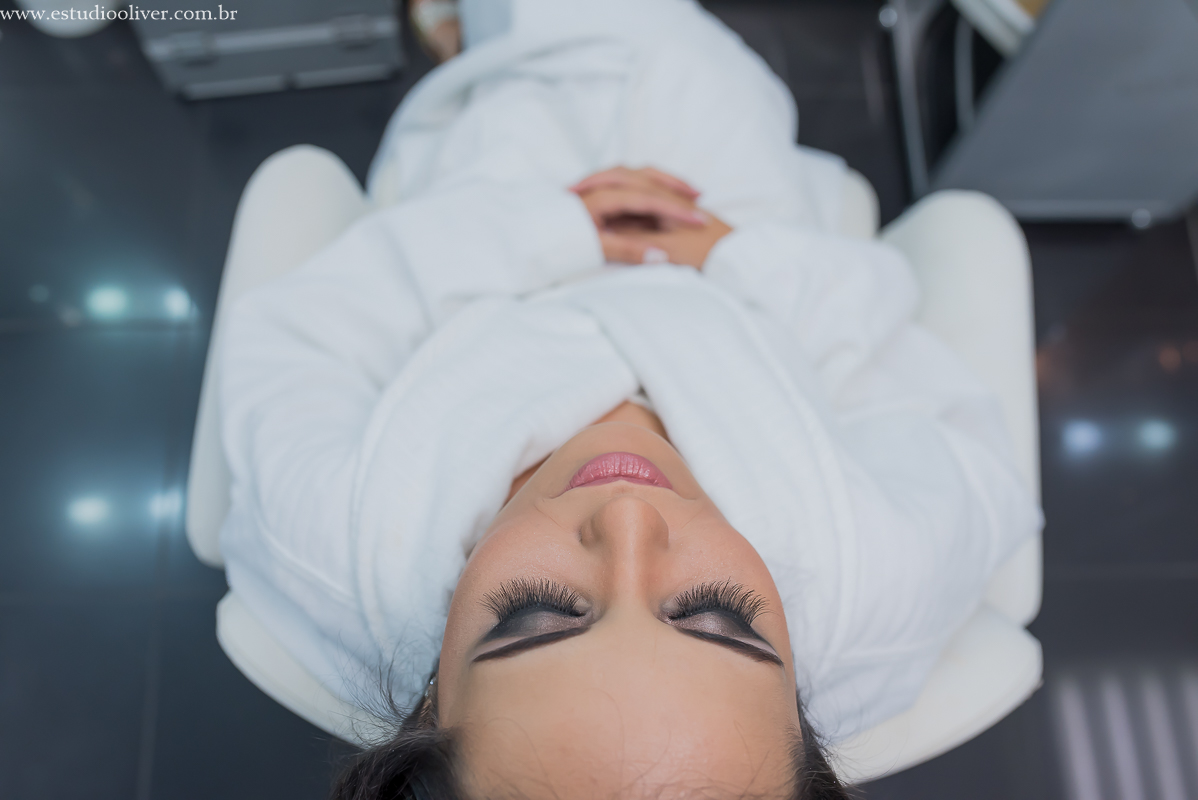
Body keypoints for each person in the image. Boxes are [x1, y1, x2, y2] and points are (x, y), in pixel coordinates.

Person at [216, 1, 1042, 797]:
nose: (628, 519)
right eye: (720, 616)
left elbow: (301, 336)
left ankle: (475, 34)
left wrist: (540, 230)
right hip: (726, 214)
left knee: (521, 61)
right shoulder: (876, 578)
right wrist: (745, 260)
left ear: (428, 705)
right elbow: (936, 410)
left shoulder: (339, 545)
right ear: (805, 722)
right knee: (689, 57)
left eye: (534, 613)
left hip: (491, 209)